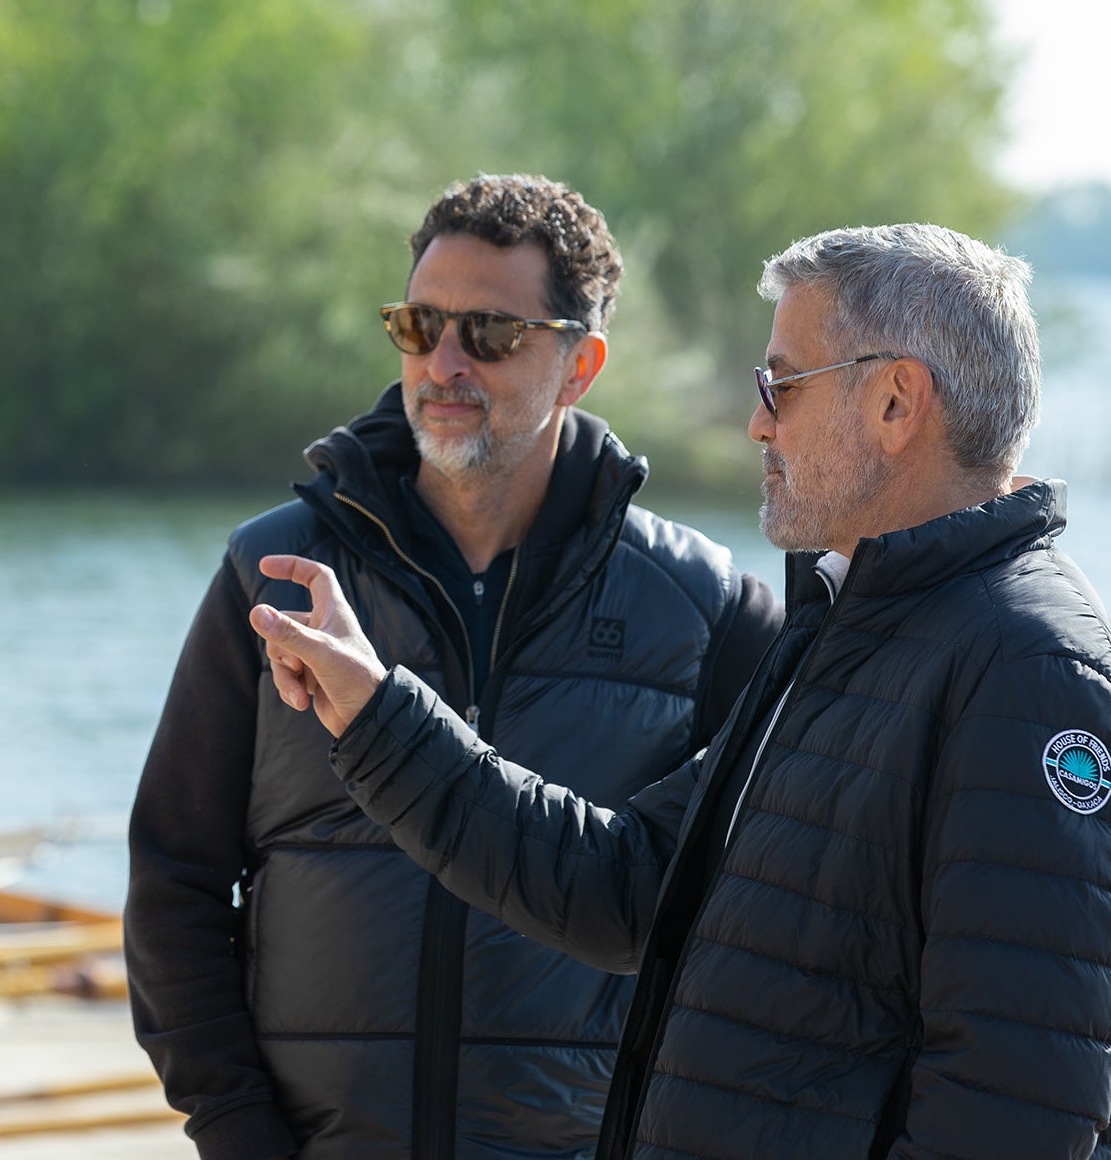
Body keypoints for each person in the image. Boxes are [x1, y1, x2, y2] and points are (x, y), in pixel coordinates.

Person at [249, 223, 1111, 1159]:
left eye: (781, 383)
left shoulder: (1032, 680)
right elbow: (625, 884)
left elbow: (1007, 1117)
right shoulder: (853, 637)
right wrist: (378, 714)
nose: (757, 419)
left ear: (896, 402)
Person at [125, 175, 784, 1160]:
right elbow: (175, 877)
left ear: (579, 365)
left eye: (488, 334)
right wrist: (239, 1135)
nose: (442, 363)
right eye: (418, 324)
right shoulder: (274, 576)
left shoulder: (705, 610)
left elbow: (760, 933)